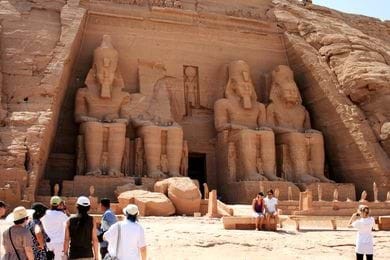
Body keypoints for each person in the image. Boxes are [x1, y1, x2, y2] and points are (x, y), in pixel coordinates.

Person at [41, 196, 69, 260]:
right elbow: (69, 221)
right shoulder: (61, 215)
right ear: (59, 204)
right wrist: (65, 209)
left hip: (48, 242)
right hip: (59, 243)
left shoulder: (45, 213)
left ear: (51, 204)